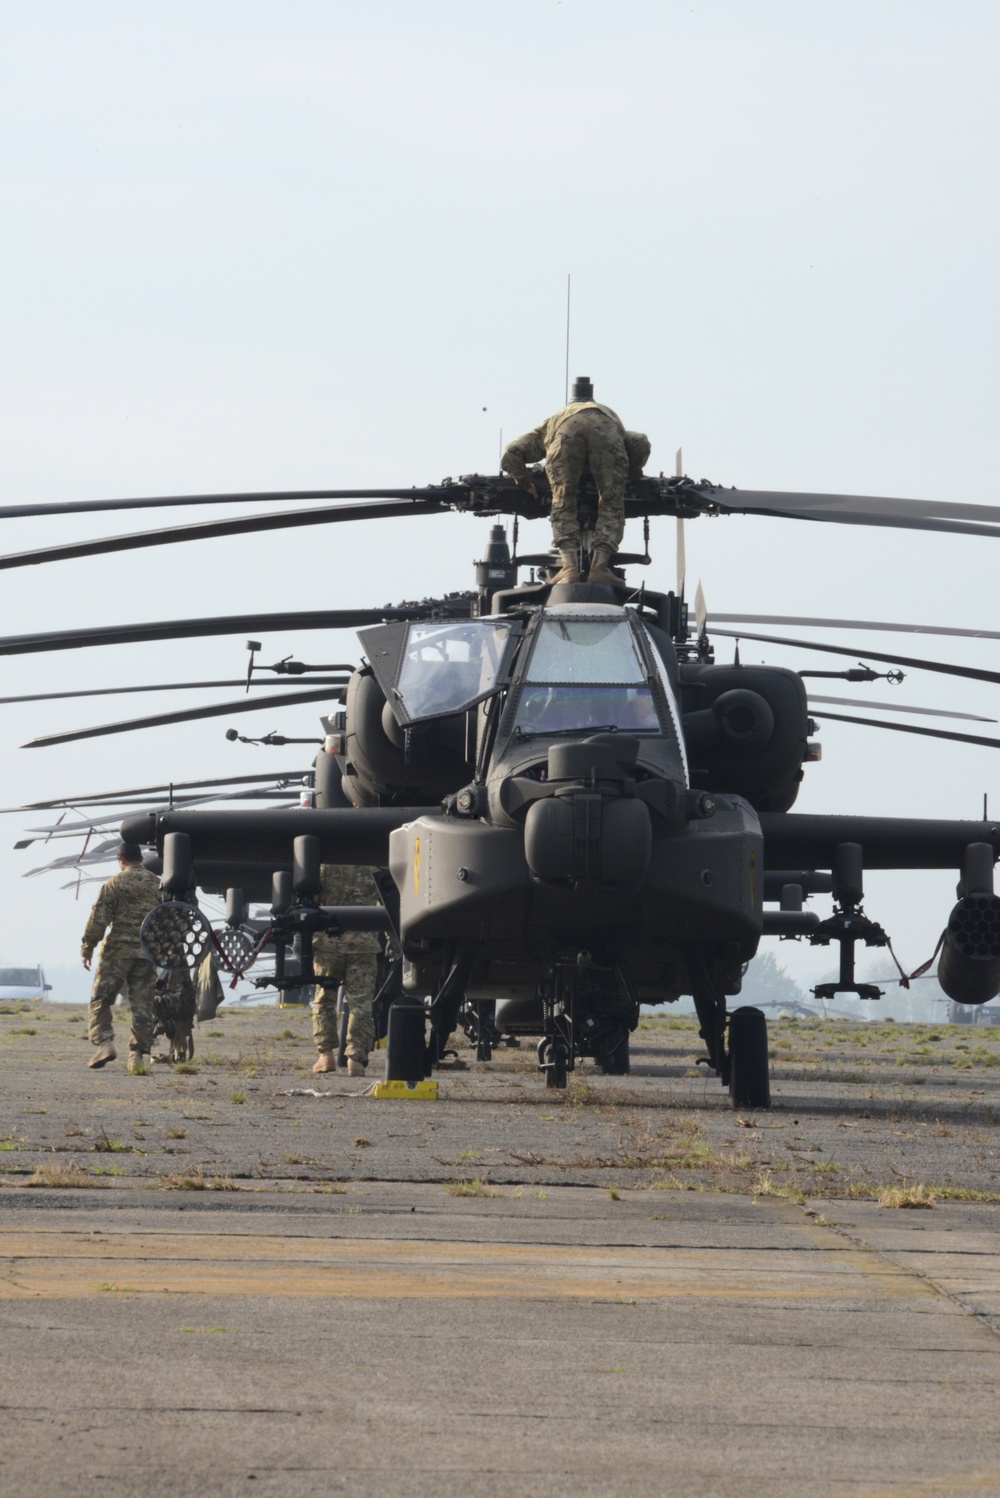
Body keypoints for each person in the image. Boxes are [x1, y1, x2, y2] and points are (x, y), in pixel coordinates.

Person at [501, 376, 651, 587]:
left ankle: (569, 568)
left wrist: (524, 483)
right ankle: (599, 567)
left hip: (565, 434)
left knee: (562, 501)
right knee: (611, 503)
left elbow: (511, 452)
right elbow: (640, 442)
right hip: (606, 431)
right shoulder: (608, 415)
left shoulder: (553, 421)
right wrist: (631, 474)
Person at [81, 841, 160, 1074]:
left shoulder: (114, 883)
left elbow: (99, 919)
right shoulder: (158, 884)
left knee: (101, 1000)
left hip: (117, 953)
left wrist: (87, 947)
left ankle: (105, 1043)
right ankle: (137, 1056)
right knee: (142, 1006)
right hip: (147, 954)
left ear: (121, 860)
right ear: (142, 859)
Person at [312, 863, 379, 1078]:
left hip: (328, 943)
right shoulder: (374, 866)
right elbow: (390, 900)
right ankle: (355, 1060)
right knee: (361, 1003)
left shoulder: (323, 867)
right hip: (364, 942)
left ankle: (326, 1055)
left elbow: (309, 903)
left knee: (324, 999)